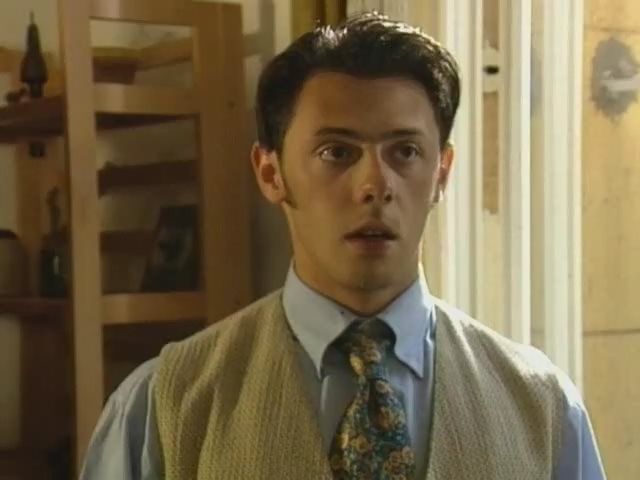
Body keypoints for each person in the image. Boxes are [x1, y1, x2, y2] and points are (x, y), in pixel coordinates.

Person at [80, 12, 606, 480]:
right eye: (337, 152)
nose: (375, 185)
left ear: (441, 173)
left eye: (405, 151)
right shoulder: (165, 407)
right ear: (271, 173)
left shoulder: (542, 408)